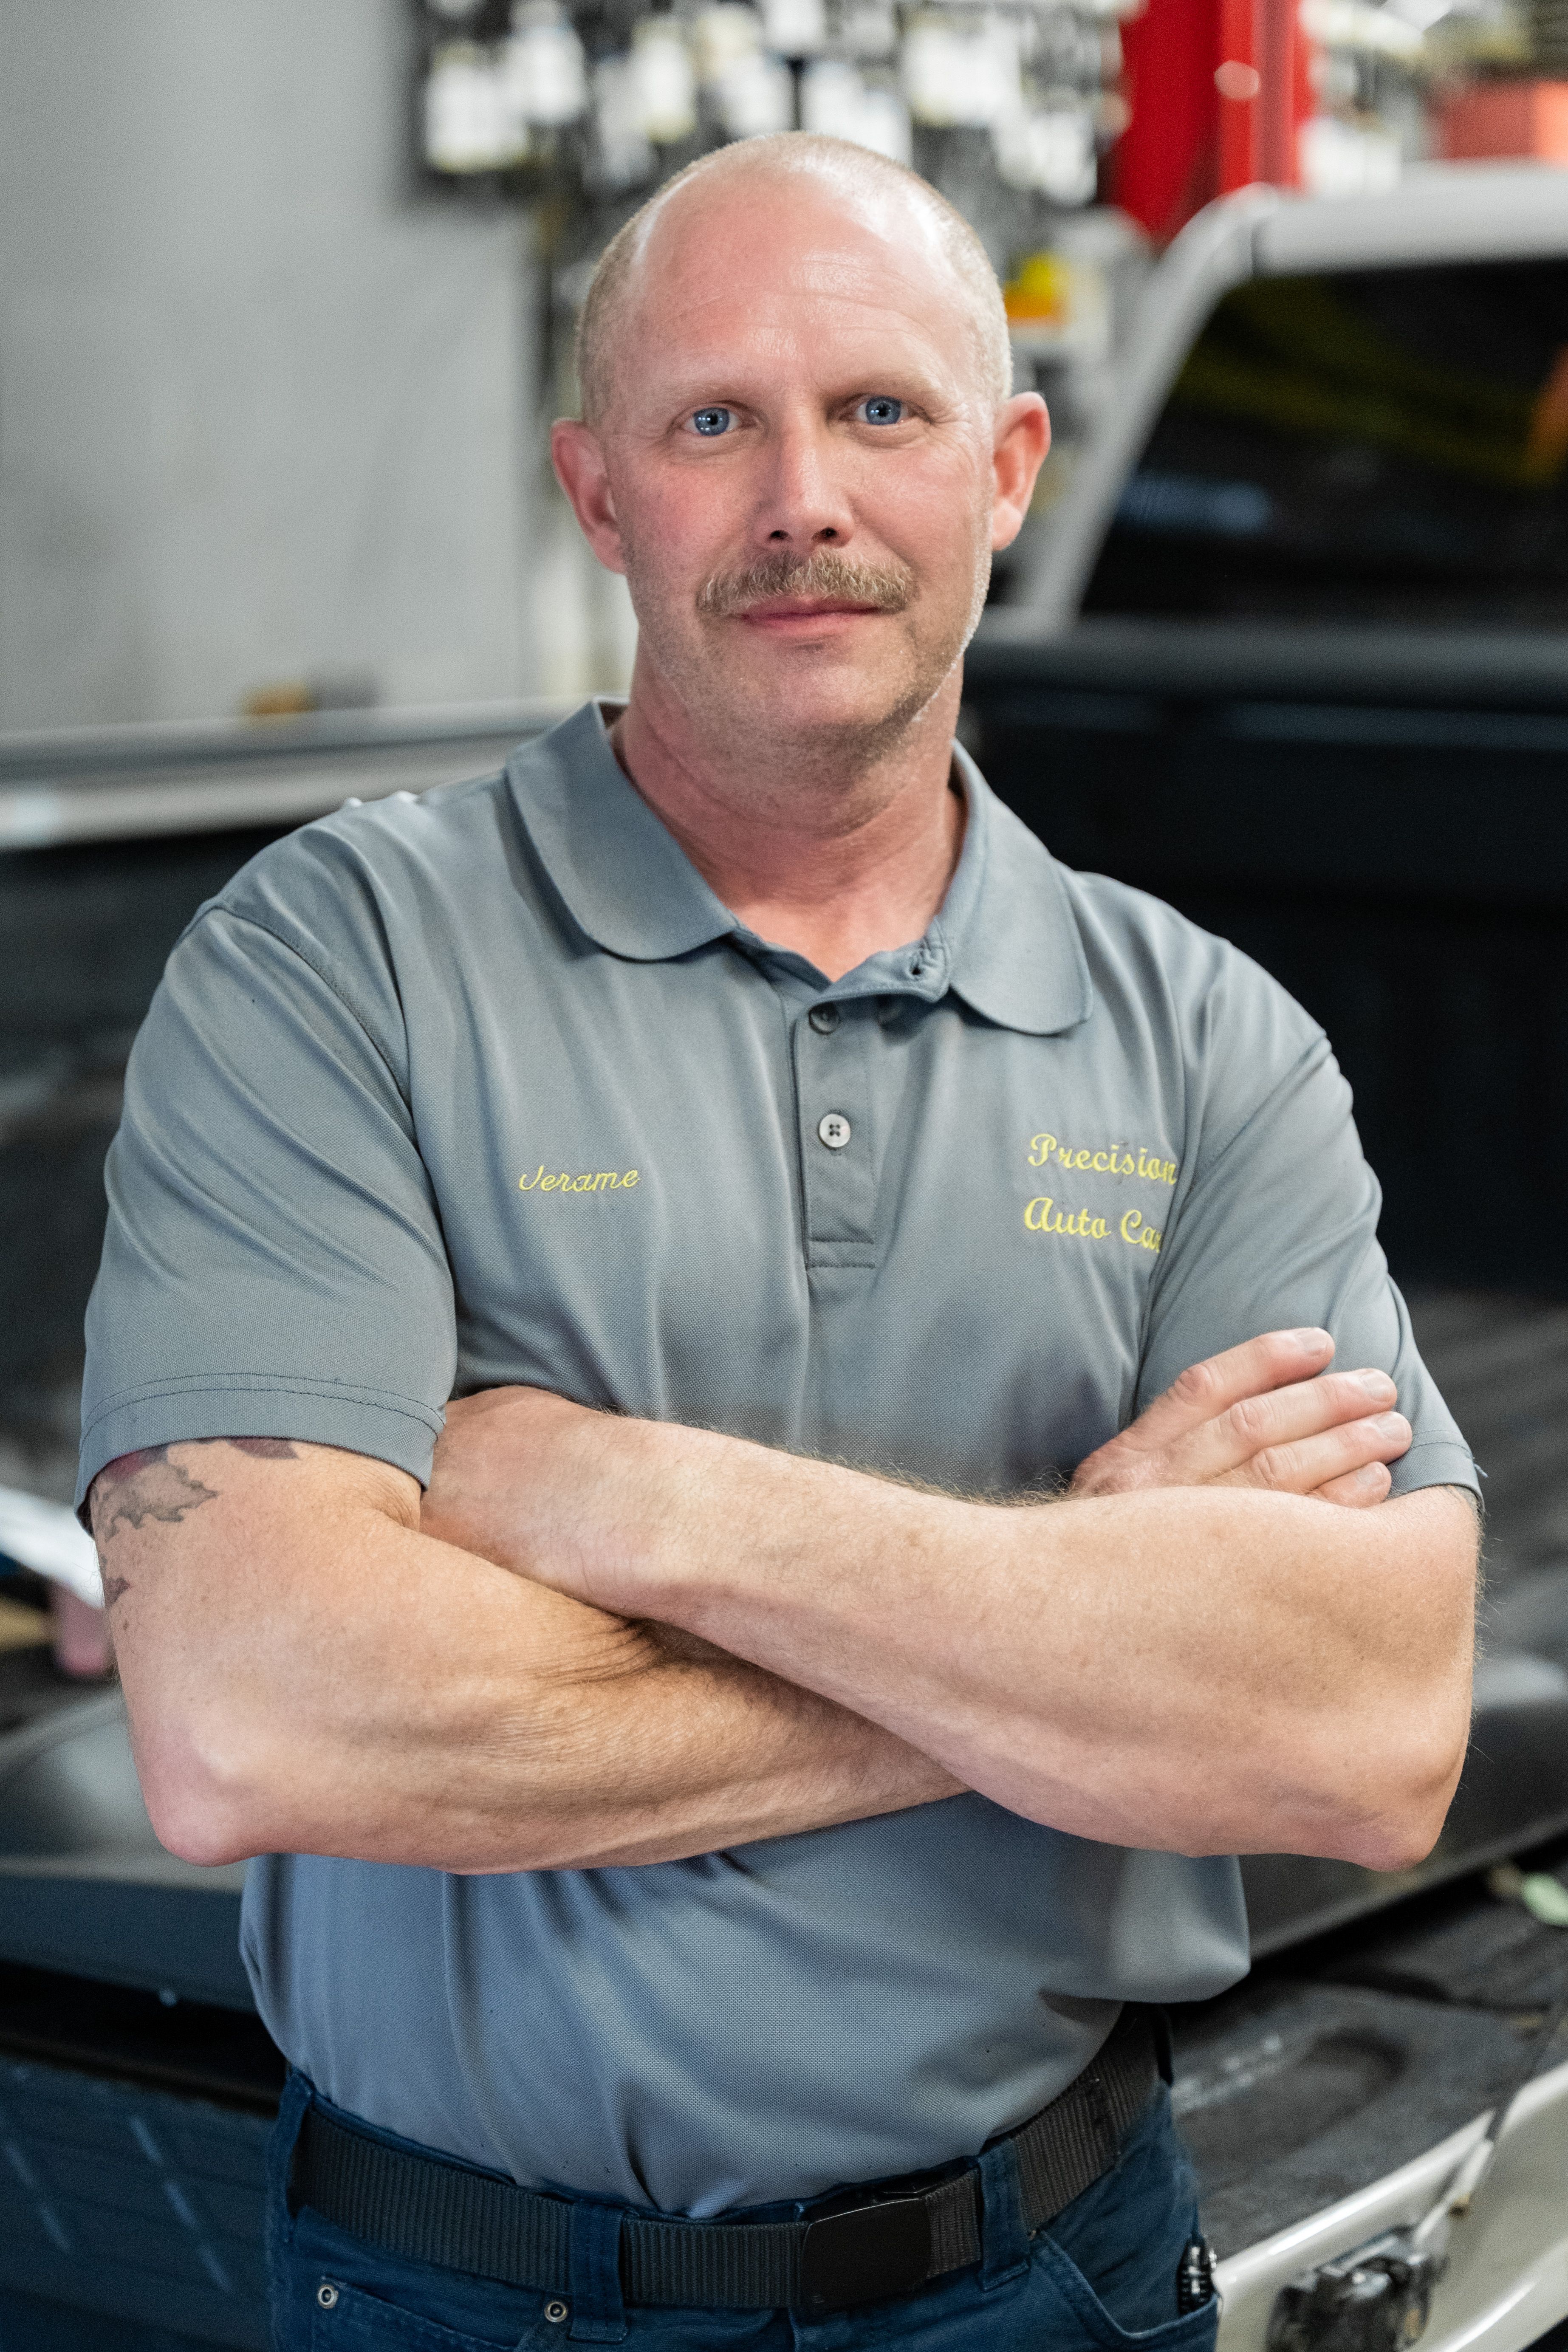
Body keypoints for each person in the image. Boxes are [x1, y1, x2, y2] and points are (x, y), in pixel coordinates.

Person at [79, 133, 1478, 2352]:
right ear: (598, 489)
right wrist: (1075, 1632)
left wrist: (624, 1497)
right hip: (467, 2294)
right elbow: (259, 1721)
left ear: (1008, 469)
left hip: (1052, 2274)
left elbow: (1368, 1733)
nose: (802, 497)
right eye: (714, 419)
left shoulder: (1208, 1042)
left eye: (881, 410)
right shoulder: (342, 962)